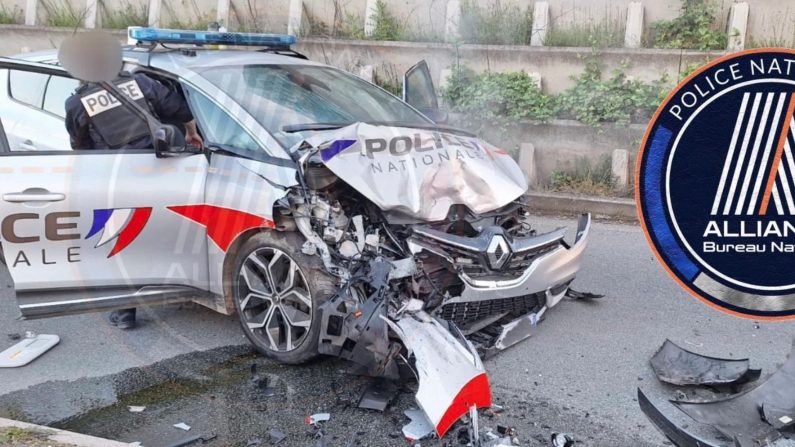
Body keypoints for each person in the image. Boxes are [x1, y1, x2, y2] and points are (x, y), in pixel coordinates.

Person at [65, 72, 203, 329]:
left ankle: (125, 311)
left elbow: (79, 148)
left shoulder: (76, 104)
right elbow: (182, 110)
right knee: (166, 230)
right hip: (160, 169)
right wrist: (190, 133)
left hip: (116, 179)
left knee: (121, 241)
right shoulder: (142, 82)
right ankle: (181, 288)